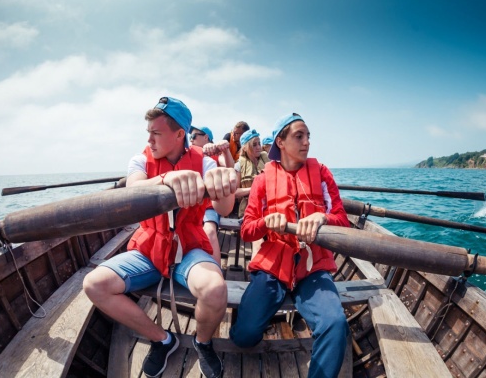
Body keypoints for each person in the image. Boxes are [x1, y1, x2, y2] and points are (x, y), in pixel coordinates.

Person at [83, 97, 237, 378]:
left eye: (156, 132)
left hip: (189, 248)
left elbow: (225, 209)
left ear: (179, 135)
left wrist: (223, 184)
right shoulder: (140, 160)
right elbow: (132, 191)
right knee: (94, 285)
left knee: (215, 290)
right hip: (149, 249)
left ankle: (203, 342)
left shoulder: (205, 163)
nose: (150, 139)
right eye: (148, 132)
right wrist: (165, 179)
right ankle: (163, 339)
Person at [229, 113, 350, 378]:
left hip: (313, 266)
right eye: (299, 136)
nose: (307, 142)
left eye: (308, 136)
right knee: (244, 335)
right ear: (280, 142)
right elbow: (247, 230)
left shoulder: (322, 173)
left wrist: (323, 217)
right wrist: (265, 223)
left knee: (335, 324)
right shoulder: (263, 180)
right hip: (273, 265)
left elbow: (343, 220)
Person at [189, 126, 234, 264]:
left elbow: (230, 168)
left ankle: (216, 270)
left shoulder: (216, 155)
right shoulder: (187, 154)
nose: (191, 139)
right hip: (191, 205)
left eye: (194, 136)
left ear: (206, 137)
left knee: (209, 231)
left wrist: (225, 150)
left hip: (209, 205)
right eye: (190, 137)